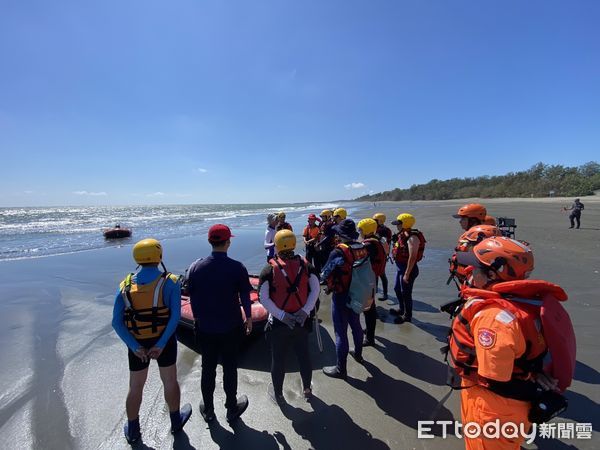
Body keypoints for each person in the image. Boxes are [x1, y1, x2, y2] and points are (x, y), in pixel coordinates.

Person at [448, 236, 575, 450]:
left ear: (491, 274)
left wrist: (533, 386)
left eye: (476, 267)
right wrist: (534, 375)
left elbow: (495, 377)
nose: (469, 270)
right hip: (511, 407)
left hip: (494, 408)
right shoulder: (523, 302)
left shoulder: (494, 318)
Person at [112, 238, 192, 444]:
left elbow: (116, 323)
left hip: (137, 343)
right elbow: (175, 316)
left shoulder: (125, 285)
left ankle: (133, 430)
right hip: (163, 342)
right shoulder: (171, 282)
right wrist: (162, 343)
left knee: (136, 386)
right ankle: (176, 422)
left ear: (136, 258)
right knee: (170, 381)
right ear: (159, 256)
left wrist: (135, 346)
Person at [187, 224, 253, 423]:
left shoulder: (196, 267)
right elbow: (244, 296)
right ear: (228, 242)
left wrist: (197, 317)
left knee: (208, 369)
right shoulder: (237, 267)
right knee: (229, 368)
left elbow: (192, 295)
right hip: (231, 326)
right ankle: (231, 408)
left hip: (206, 327)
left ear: (209, 241)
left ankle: (208, 409)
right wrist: (248, 318)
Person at [258, 230, 320, 403]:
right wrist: (305, 311)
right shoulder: (306, 265)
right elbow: (315, 289)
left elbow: (263, 297)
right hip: (301, 321)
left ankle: (278, 394)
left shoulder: (269, 268)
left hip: (280, 324)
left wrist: (282, 315)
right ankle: (307, 389)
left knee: (278, 359)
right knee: (303, 355)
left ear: (276, 246)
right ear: (294, 244)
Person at [321, 219, 366, 379]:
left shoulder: (338, 251)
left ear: (340, 235)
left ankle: (341, 369)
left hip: (341, 295)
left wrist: (328, 284)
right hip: (358, 293)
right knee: (356, 325)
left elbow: (324, 273)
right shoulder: (362, 247)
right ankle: (359, 355)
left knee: (340, 332)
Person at [390, 213, 426, 324]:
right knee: (397, 289)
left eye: (398, 224)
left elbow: (413, 256)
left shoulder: (413, 237)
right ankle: (401, 309)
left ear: (405, 224)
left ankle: (407, 316)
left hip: (408, 269)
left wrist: (407, 273)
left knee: (406, 293)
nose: (397, 226)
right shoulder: (403, 234)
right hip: (400, 267)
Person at [357, 218, 387, 346]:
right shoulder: (376, 240)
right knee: (370, 307)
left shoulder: (369, 245)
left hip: (368, 279)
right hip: (372, 278)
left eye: (360, 230)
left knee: (368, 308)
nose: (359, 232)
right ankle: (369, 331)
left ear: (366, 231)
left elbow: (359, 261)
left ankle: (370, 338)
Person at [373, 213, 392, 300]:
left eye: (375, 220)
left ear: (380, 221)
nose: (373, 221)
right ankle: (376, 289)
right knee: (376, 273)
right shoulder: (379, 229)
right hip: (380, 254)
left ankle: (385, 293)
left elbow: (382, 243)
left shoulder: (383, 230)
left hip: (382, 255)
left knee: (381, 274)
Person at [316, 209, 336, 274]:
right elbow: (320, 233)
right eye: (321, 217)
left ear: (328, 216)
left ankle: (328, 276)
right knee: (323, 261)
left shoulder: (331, 225)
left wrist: (319, 244)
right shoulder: (323, 224)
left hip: (329, 246)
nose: (322, 218)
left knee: (328, 261)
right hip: (323, 246)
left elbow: (329, 237)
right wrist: (318, 241)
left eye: (323, 217)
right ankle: (325, 275)